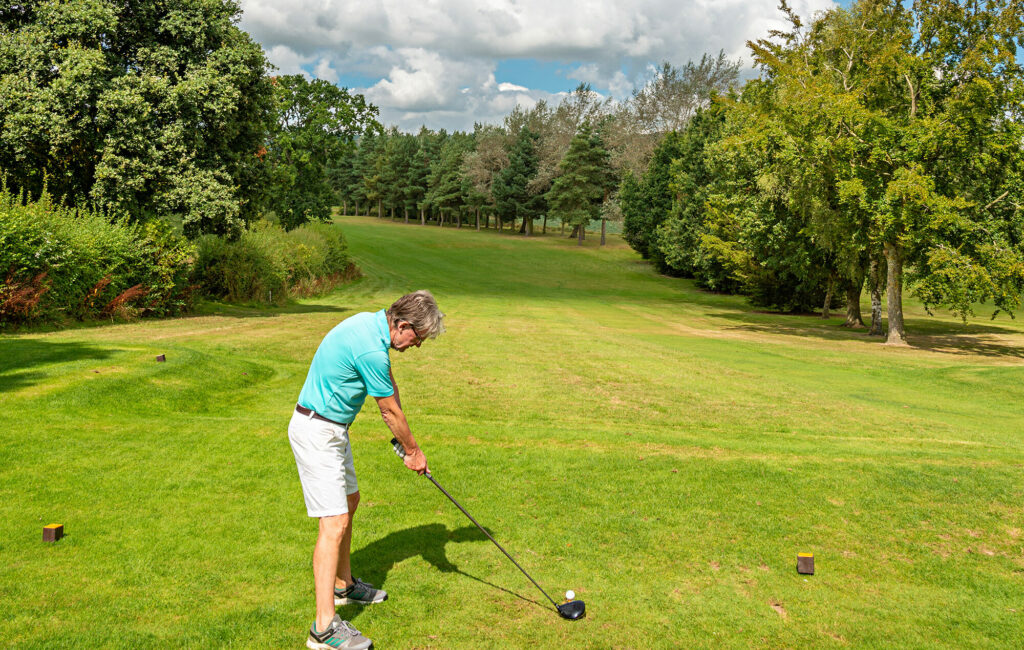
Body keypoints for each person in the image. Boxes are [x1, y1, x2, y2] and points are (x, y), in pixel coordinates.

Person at [288, 290, 444, 650]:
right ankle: (323, 629)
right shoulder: (371, 348)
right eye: (417, 338)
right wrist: (413, 451)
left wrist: (407, 446)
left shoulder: (371, 326)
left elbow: (391, 391)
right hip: (317, 431)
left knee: (351, 501)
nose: (416, 345)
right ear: (402, 325)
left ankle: (344, 586)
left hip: (332, 428)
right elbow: (387, 411)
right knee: (335, 522)